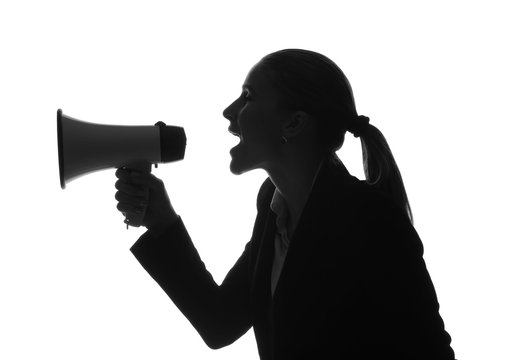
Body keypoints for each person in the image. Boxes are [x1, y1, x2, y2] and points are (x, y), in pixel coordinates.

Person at [115, 49, 456, 359]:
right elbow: (220, 322)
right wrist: (162, 221)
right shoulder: (273, 209)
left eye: (247, 97)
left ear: (293, 123)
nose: (229, 112)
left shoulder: (371, 222)